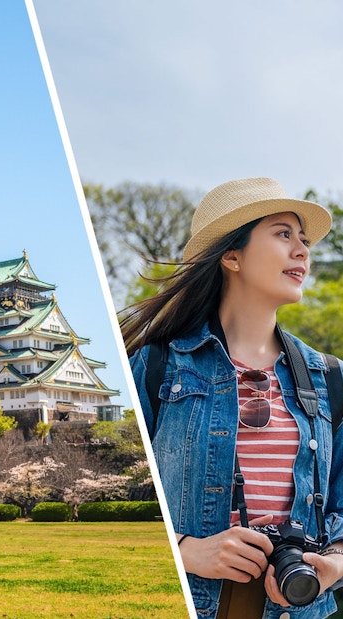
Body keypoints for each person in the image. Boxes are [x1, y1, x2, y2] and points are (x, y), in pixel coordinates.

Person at [122, 177, 343, 619]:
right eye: (283, 234)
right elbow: (121, 497)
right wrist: (185, 550)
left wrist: (332, 565)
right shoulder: (159, 364)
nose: (302, 251)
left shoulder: (330, 378)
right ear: (231, 255)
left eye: (304, 240)